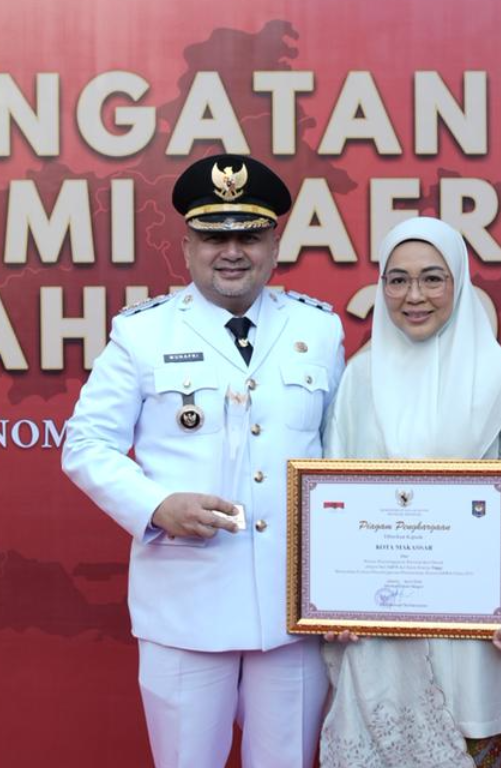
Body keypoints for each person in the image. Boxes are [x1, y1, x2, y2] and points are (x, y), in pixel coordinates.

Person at [62, 154, 345, 768]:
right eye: (215, 238)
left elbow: (342, 455)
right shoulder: (143, 333)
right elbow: (86, 444)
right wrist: (157, 505)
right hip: (186, 606)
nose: (232, 252)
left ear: (275, 244)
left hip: (293, 608)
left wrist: (345, 586)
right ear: (187, 247)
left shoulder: (319, 329)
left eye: (250, 236)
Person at [319, 217, 501, 768]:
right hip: (378, 631)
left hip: (476, 631)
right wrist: (329, 599)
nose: (414, 296)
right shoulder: (359, 378)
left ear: (459, 282)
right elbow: (333, 497)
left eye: (432, 278)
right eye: (397, 280)